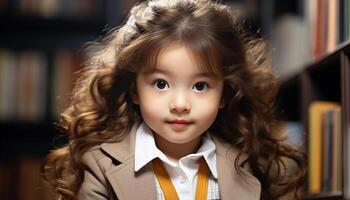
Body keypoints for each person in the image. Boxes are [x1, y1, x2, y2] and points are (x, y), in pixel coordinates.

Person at [42, 0, 306, 199]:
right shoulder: (99, 163)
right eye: (160, 84)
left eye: (200, 86)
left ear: (224, 94)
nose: (180, 103)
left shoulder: (253, 162)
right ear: (135, 89)